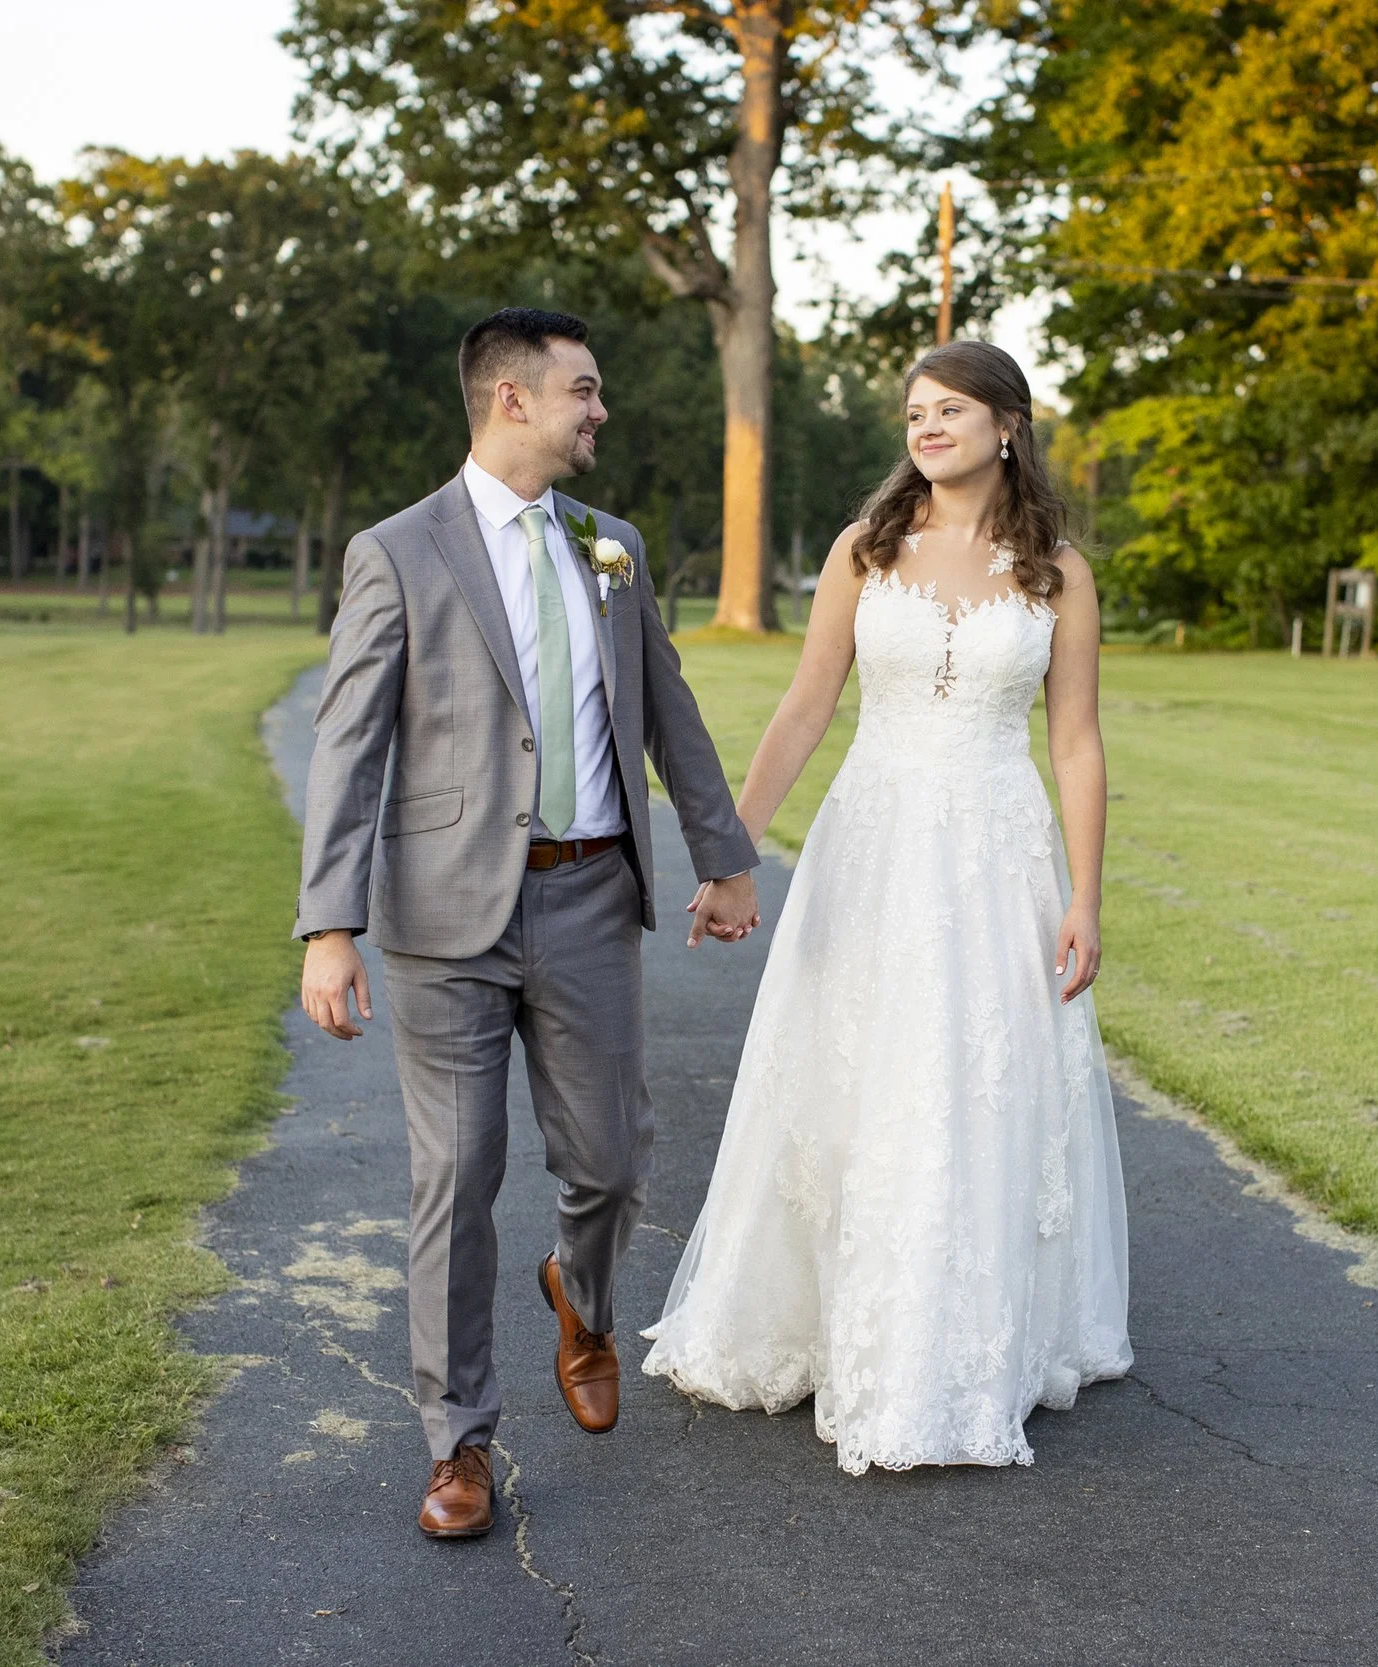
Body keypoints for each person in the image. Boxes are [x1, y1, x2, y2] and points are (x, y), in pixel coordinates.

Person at [293, 308, 761, 1540]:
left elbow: (669, 703)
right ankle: (459, 1444)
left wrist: (722, 856)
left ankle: (583, 1295)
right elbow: (348, 747)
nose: (599, 410)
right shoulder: (396, 552)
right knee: (456, 1178)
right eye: (583, 391)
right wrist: (326, 926)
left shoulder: (613, 547)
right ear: (512, 399)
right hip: (444, 915)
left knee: (610, 1157)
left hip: (592, 896)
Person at [641, 339, 1132, 1474]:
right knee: (854, 1075)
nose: (925, 427)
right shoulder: (866, 552)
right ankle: (823, 1318)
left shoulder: (1059, 571)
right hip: (871, 845)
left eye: (949, 409)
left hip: (998, 856)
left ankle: (958, 1340)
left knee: (973, 1084)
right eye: (914, 411)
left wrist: (1087, 896)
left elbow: (1076, 739)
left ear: (1008, 424)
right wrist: (729, 855)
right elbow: (806, 707)